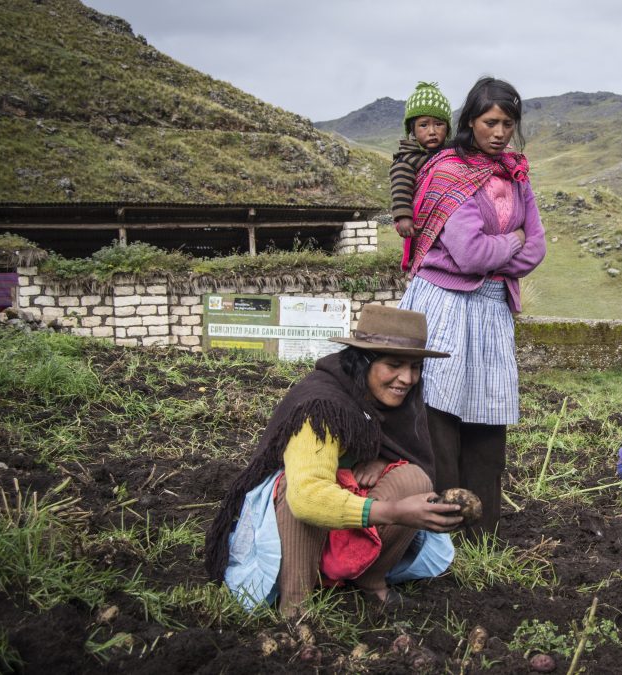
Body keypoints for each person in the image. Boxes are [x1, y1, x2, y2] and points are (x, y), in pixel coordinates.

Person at [204, 305, 463, 616]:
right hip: (295, 522)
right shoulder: (322, 406)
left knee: (414, 479)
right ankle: (295, 605)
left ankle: (372, 580)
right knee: (292, 488)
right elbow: (307, 497)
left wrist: (382, 460)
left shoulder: (401, 400)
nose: (406, 378)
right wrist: (393, 511)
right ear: (363, 361)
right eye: (394, 365)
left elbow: (406, 451)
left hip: (349, 517)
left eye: (415, 367)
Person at [398, 77, 546, 537]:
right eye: (489, 122)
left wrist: (503, 247)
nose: (499, 132)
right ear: (469, 122)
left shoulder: (515, 175)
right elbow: (469, 254)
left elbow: (536, 247)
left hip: (490, 308)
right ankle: (436, 526)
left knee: (488, 411)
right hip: (444, 302)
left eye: (507, 123)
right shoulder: (447, 170)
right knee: (439, 411)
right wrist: (511, 242)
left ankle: (482, 529)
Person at [391, 82, 452, 268]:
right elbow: (400, 187)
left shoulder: (450, 154)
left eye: (439, 124)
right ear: (412, 130)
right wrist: (403, 216)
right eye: (424, 125)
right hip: (422, 225)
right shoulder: (407, 159)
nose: (432, 131)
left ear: (448, 128)